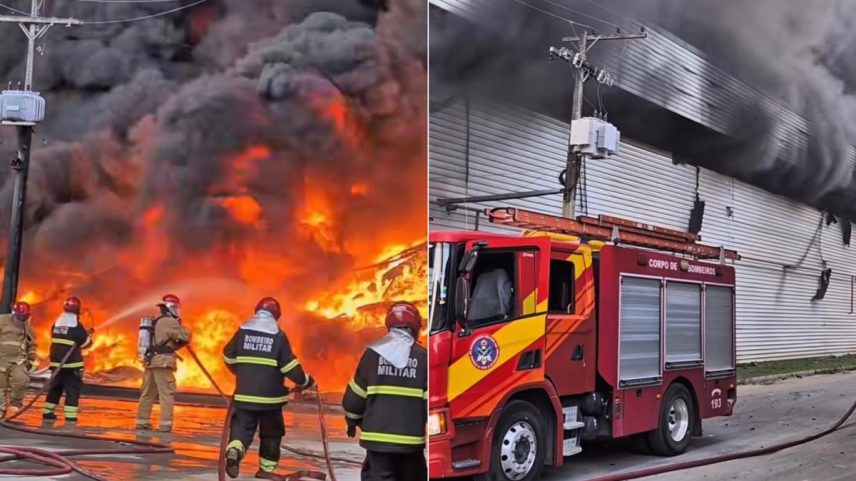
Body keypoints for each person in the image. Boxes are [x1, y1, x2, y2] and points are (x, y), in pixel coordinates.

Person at [222, 297, 315, 480]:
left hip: (244, 395)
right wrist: (305, 381)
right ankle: (267, 470)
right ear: (276, 315)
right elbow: (290, 367)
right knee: (271, 433)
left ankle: (234, 450)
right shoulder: (278, 335)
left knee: (241, 427)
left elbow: (228, 355)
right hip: (270, 400)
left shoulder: (242, 331)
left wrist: (241, 372)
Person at [342, 301, 427, 481]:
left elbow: (353, 399)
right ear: (415, 327)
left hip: (377, 445)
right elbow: (430, 405)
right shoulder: (424, 358)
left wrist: (352, 421)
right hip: (411, 445)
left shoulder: (372, 355)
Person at [135, 294, 191, 433]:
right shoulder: (169, 321)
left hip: (151, 362)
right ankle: (165, 425)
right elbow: (185, 336)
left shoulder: (156, 320)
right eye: (176, 308)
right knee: (167, 393)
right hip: (163, 363)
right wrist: (184, 332)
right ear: (171, 308)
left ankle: (142, 422)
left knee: (148, 393)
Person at [43, 297, 92, 423]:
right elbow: (86, 343)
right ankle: (70, 417)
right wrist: (89, 336)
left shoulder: (57, 323)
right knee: (72, 390)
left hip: (56, 364)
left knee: (55, 388)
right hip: (72, 366)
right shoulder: (76, 326)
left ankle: (47, 412)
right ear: (78, 310)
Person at [0, 301, 36, 420]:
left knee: (22, 380)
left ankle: (15, 402)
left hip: (18, 360)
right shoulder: (2, 321)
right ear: (14, 313)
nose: (22, 319)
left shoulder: (27, 327)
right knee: (1, 386)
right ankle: (1, 411)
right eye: (20, 316)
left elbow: (32, 345)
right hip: (1, 360)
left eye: (24, 317)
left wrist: (30, 360)